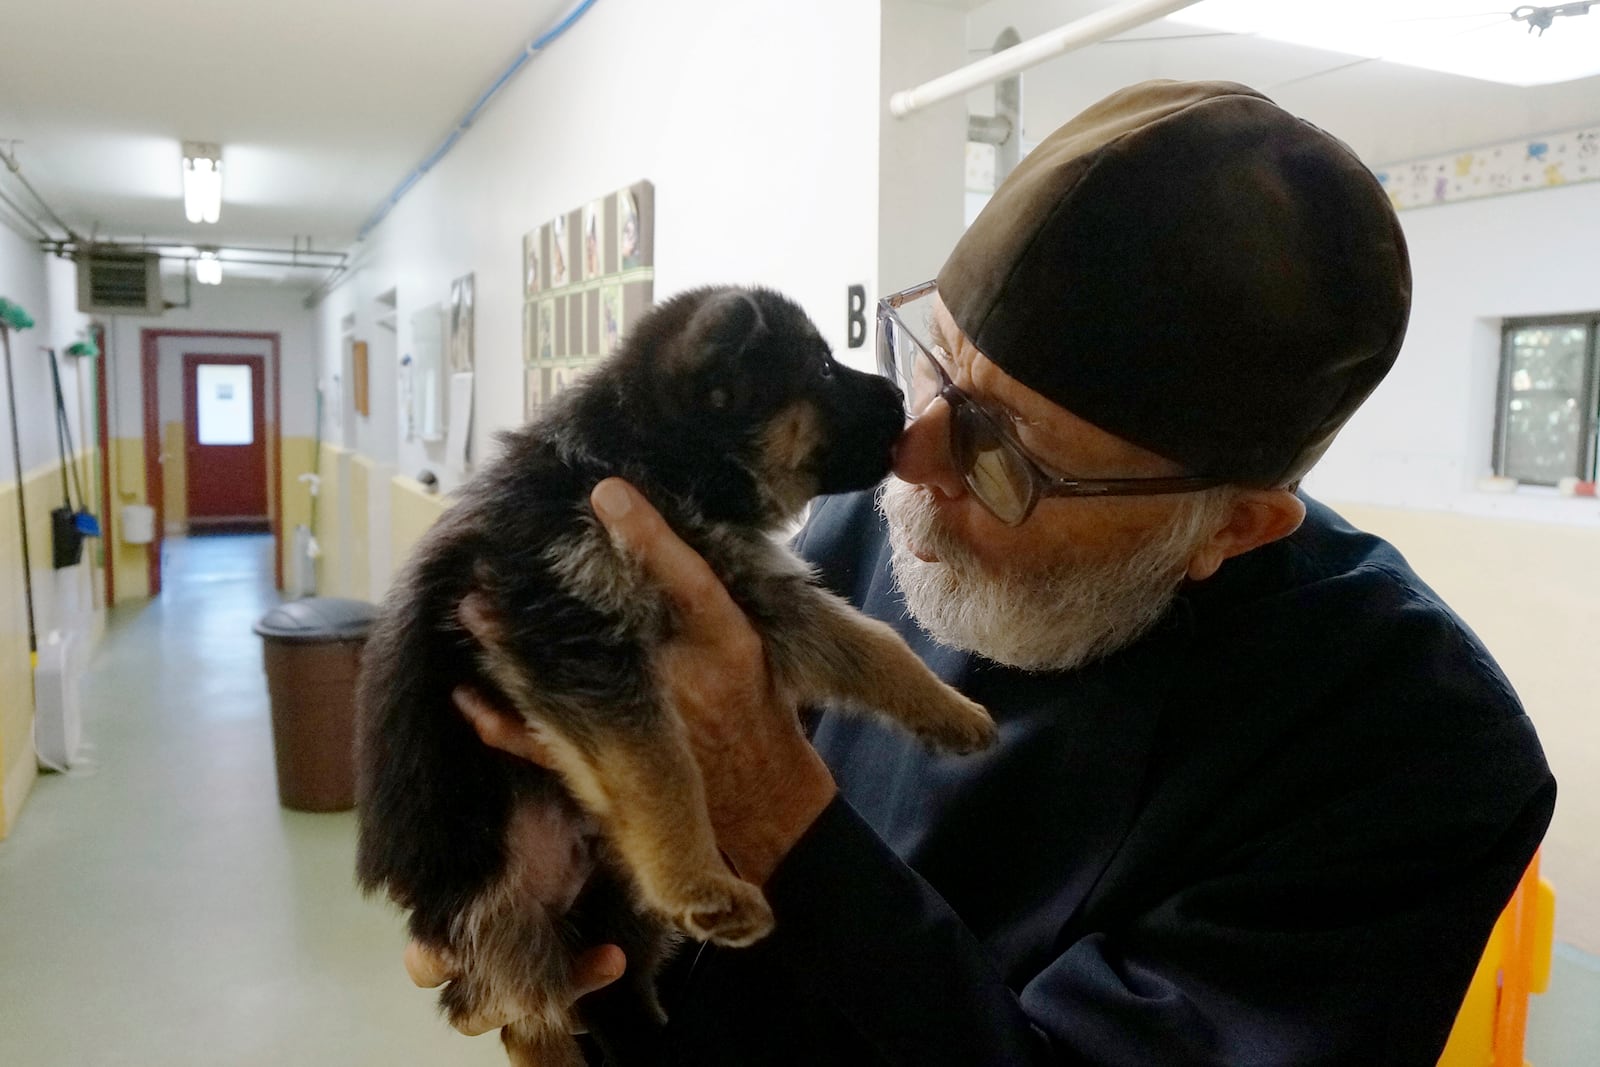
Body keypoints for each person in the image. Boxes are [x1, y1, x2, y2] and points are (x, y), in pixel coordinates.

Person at [406, 80, 1555, 1064]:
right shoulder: (875, 520)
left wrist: (778, 814)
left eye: (1008, 455)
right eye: (931, 368)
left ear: (1236, 527)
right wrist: (556, 941)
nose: (912, 453)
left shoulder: (1413, 752)